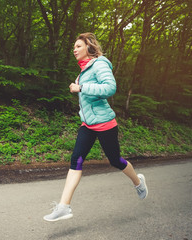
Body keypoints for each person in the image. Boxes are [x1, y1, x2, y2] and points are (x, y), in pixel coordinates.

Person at [43, 33, 148, 222]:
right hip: (88, 124)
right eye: (73, 47)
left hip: (105, 124)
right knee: (76, 160)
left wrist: (81, 87)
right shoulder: (84, 69)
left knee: (115, 160)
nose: (74, 50)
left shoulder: (99, 63)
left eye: (78, 46)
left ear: (88, 47)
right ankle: (63, 207)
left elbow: (110, 88)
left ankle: (138, 182)